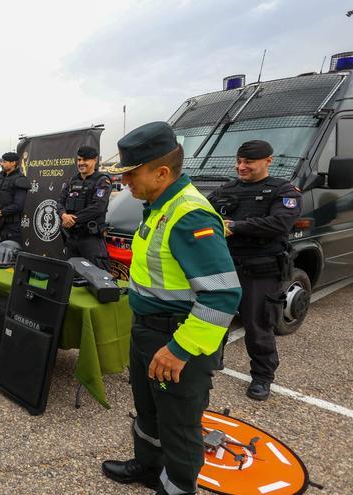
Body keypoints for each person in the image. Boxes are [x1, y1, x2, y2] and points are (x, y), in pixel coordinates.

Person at [101, 122, 242, 495]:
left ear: (162, 173)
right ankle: (149, 468)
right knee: (148, 410)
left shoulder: (189, 215)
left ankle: (178, 486)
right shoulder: (159, 204)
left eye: (132, 173)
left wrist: (180, 350)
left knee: (178, 423)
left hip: (176, 335)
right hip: (149, 329)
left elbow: (222, 295)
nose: (126, 181)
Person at [207, 140, 301, 401]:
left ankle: (262, 377)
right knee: (215, 318)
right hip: (225, 266)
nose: (241, 167)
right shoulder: (227, 189)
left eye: (248, 162)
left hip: (260, 272)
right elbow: (203, 212)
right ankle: (213, 361)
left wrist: (235, 226)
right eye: (239, 161)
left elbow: (280, 223)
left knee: (258, 325)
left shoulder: (283, 190)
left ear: (268, 161)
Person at [57, 145, 112, 269]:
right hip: (72, 238)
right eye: (79, 160)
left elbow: (98, 207)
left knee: (97, 278)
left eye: (85, 160)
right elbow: (59, 202)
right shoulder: (72, 181)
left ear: (95, 160)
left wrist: (72, 220)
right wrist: (63, 215)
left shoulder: (102, 181)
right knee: (70, 276)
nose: (81, 163)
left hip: (91, 238)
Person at [0, 151, 30, 244]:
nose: (2, 164)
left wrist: (1, 212)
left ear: (13, 163)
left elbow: (18, 205)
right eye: (2, 161)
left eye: (4, 162)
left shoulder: (20, 179)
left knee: (9, 253)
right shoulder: (0, 177)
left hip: (11, 226)